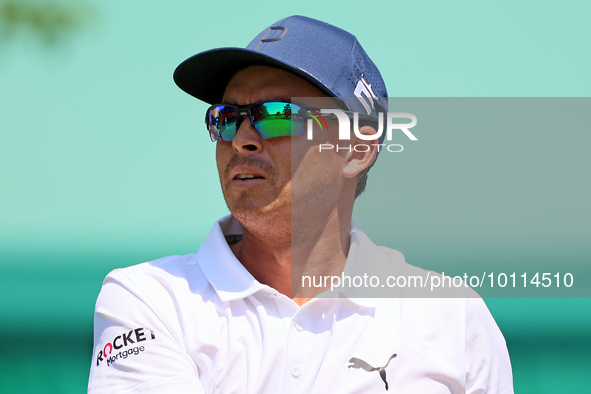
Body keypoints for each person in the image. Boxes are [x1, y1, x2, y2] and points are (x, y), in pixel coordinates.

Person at [88, 15, 513, 393]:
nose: (241, 138)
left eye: (275, 114)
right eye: (226, 117)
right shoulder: (151, 300)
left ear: (356, 150)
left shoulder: (452, 318)